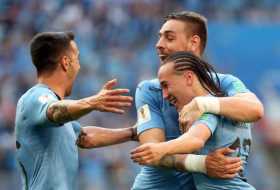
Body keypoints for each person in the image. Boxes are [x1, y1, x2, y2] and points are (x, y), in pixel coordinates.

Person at [131, 11, 263, 190]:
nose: (158, 45)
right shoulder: (148, 90)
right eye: (159, 37)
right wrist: (201, 163)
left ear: (194, 43)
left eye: (169, 38)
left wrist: (202, 104)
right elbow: (151, 150)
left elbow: (255, 109)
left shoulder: (221, 86)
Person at [15, 31, 136, 190]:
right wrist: (92, 102)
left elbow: (84, 137)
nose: (79, 65)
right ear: (66, 62)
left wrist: (132, 133)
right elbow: (54, 111)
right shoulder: (34, 97)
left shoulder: (60, 118)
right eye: (77, 58)